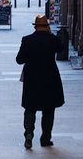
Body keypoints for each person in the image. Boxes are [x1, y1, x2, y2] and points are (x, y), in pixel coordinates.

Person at [16, 15, 64, 149]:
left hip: (32, 80)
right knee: (48, 109)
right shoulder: (53, 40)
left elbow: (19, 59)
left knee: (30, 109)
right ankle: (45, 138)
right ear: (47, 26)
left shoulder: (27, 40)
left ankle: (29, 135)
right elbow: (61, 48)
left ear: (35, 26)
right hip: (50, 79)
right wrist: (51, 34)